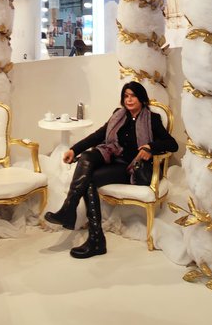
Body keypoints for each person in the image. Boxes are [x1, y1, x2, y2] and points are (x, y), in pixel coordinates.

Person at [45, 81, 178, 259]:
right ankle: (76, 215)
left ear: (141, 98)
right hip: (112, 159)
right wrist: (74, 150)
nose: (129, 100)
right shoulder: (118, 115)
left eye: (133, 96)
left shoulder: (152, 119)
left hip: (130, 167)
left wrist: (150, 147)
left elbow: (172, 144)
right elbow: (98, 136)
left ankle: (93, 237)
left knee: (89, 179)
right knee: (87, 157)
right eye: (126, 96)